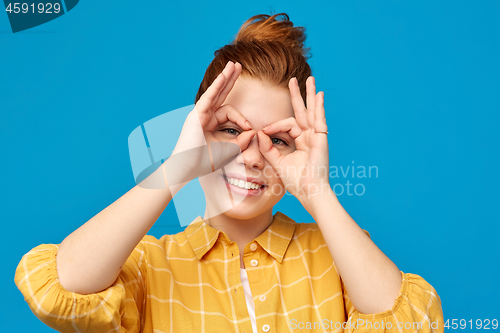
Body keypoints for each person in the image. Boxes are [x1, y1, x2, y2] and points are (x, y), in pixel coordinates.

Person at [14, 13, 443, 333]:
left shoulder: (337, 257)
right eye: (231, 131)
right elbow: (59, 291)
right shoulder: (148, 264)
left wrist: (317, 192)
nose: (253, 157)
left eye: (277, 140)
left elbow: (416, 323)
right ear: (196, 131)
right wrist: (178, 165)